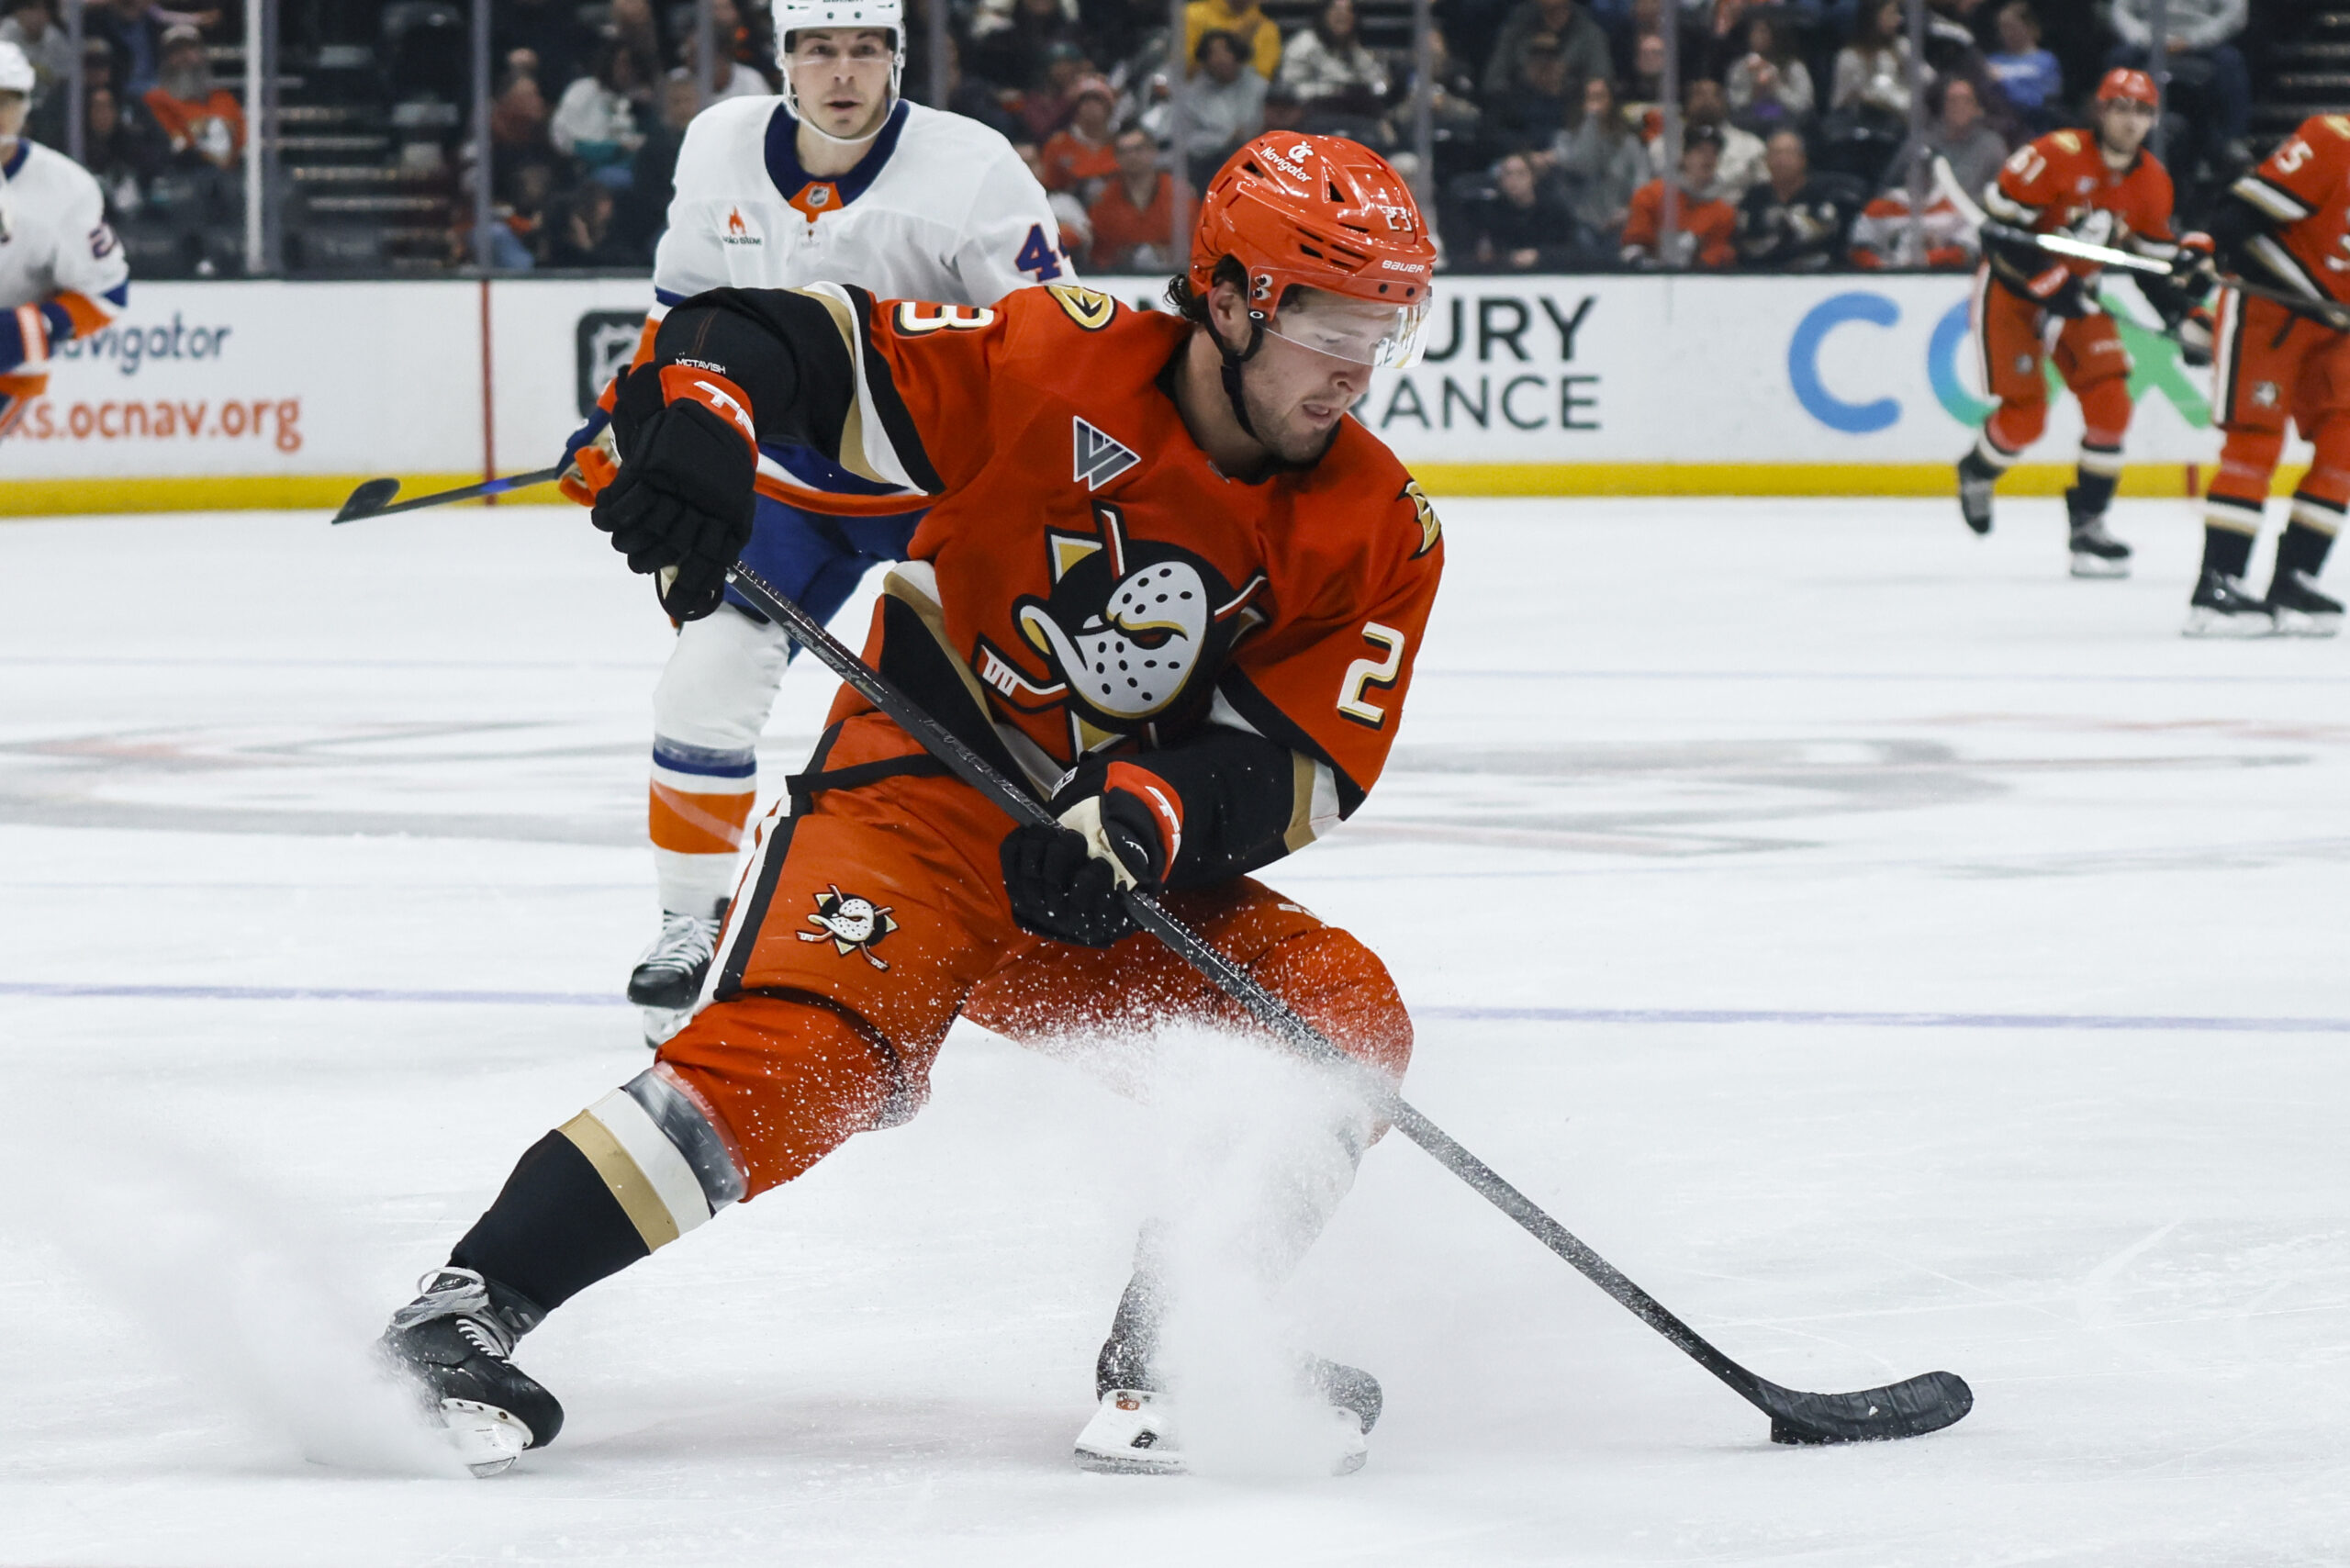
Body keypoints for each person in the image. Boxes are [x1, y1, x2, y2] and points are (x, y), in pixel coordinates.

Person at [379, 130, 1440, 1483]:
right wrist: (703, 421)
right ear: (1231, 296)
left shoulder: (1382, 529)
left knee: (1332, 1019)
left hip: (1102, 868)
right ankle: (463, 1312)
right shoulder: (1059, 357)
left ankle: (1180, 1346)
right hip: (916, 800)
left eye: (1385, 326)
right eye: (1331, 321)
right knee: (811, 1057)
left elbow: (1305, 762)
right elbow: (765, 335)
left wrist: (1139, 817)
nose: (1359, 364)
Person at [556, 0, 1071, 1047]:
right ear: (783, 57)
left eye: (866, 49)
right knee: (702, 683)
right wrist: (629, 414)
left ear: (897, 56)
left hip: (940, 490)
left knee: (1010, 715)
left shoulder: (974, 169)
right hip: (786, 493)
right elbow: (685, 311)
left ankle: (1035, 923)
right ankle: (688, 920)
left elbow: (1052, 352)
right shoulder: (717, 147)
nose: (844, 72)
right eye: (821, 49)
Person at [1954, 69, 2207, 577]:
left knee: (2111, 401)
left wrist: (2183, 316)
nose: (2130, 121)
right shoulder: (2054, 154)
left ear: (2153, 119)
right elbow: (1999, 236)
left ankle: (2088, 527)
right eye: (2120, 107)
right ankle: (1977, 471)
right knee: (2025, 417)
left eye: (2141, 111)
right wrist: (2050, 285)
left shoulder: (2153, 182)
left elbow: (2150, 270)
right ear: (2100, 109)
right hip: (2013, 291)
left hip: (2077, 297)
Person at [2178, 114, 2350, 635]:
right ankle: (2217, 585)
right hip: (2269, 314)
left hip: (2335, 328)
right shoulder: (2331, 139)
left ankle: (2293, 579)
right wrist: (2319, 300)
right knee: (2254, 444)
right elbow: (2237, 220)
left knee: (2344, 444)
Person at [0, 41, 130, 437]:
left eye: (8, 99)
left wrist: (30, 328)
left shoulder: (65, 190)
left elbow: (107, 293)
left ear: (26, 106)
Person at [1621, 123, 1736, 268]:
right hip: (1649, 277)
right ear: (1685, 157)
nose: (1708, 158)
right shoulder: (1650, 195)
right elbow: (1634, 242)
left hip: (1695, 282)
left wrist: (1698, 266)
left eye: (1714, 153)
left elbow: (1717, 250)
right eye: (1700, 150)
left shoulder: (1723, 211)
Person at [1735, 129, 1850, 271]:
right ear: (1766, 160)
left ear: (1803, 159)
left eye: (1788, 153)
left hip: (1814, 277)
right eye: (1775, 153)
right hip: (1761, 276)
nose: (1781, 160)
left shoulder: (1822, 197)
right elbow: (1746, 240)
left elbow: (1823, 238)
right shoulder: (1754, 198)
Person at [1551, 73, 1642, 239]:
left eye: (1600, 97)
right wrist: (1591, 122)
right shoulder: (1564, 139)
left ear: (1611, 101)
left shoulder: (1629, 143)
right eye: (1590, 98)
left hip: (1619, 222)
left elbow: (1641, 182)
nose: (1595, 104)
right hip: (1578, 224)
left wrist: (1629, 211)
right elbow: (1584, 165)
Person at [1171, 30, 1265, 187]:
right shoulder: (1191, 95)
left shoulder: (1260, 87)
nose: (1220, 59)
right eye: (1213, 53)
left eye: (1226, 51)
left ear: (1238, 55)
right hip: (1211, 163)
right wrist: (1225, 139)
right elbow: (1186, 141)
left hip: (1257, 156)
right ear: (1205, 60)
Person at [551, 39, 650, 186]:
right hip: (585, 168)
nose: (626, 72)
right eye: (622, 64)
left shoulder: (634, 102)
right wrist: (614, 149)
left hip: (629, 168)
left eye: (631, 66)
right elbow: (565, 138)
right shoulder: (582, 91)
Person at [141, 22, 241, 168]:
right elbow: (175, 145)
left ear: (202, 54)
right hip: (181, 177)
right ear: (165, 60)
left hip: (228, 178)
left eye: (191, 48)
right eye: (176, 50)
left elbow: (241, 143)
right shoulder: (154, 100)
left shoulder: (224, 99)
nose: (184, 56)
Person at [1275, 0, 1389, 122]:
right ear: (1324, 14)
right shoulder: (1304, 45)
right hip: (1311, 116)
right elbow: (1289, 89)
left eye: (1348, 11)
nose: (1343, 16)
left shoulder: (1353, 49)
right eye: (1337, 10)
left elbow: (1375, 81)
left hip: (1352, 115)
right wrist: (1334, 90)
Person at [1466, 150, 1583, 270]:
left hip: (1549, 274)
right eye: (1508, 174)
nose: (1514, 180)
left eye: (1520, 174)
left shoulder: (1554, 210)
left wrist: (1539, 256)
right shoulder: (1491, 212)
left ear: (1533, 177)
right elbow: (1486, 252)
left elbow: (1572, 250)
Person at [1652, 78, 1762, 203]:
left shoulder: (1752, 146)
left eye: (1715, 95)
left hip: (1732, 215)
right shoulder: (1661, 145)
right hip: (1676, 215)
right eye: (1700, 94)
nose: (1707, 100)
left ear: (1725, 102)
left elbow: (1763, 191)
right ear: (1687, 102)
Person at [1481, 0, 1608, 105]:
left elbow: (1600, 85)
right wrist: (1523, 87)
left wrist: (1563, 86)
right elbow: (1493, 81)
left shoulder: (1590, 34)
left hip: (1568, 118)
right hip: (1517, 117)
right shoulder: (1516, 27)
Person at [1087, 123, 1179, 269]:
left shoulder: (1180, 195)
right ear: (1116, 157)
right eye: (1124, 151)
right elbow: (1099, 257)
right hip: (1121, 280)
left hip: (1172, 276)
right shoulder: (1103, 201)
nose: (1131, 156)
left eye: (1138, 149)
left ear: (1153, 151)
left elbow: (1194, 248)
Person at [1831, 0, 1930, 128]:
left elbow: (1928, 80)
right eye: (1891, 14)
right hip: (1860, 125)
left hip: (1901, 123)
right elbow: (1838, 104)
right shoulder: (1848, 58)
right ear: (1873, 18)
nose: (1898, 20)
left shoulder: (1902, 47)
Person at [1722, 12, 1812, 132]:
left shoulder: (1794, 67)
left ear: (1775, 35)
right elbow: (1734, 103)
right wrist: (1754, 92)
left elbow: (1803, 106)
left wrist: (1776, 86)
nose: (1757, 37)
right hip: (1750, 118)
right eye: (1753, 32)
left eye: (1763, 32)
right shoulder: (1741, 66)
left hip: (1785, 117)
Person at [1036, 73, 1118, 196]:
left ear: (1109, 108)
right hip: (1071, 206)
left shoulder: (1123, 144)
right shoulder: (1058, 144)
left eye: (1098, 100)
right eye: (1085, 101)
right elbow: (1048, 186)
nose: (1091, 106)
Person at [1928, 76, 2006, 201]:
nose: (1959, 107)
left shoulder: (1992, 146)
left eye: (1966, 101)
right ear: (1943, 107)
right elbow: (1893, 183)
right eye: (1953, 101)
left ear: (1977, 109)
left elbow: (2001, 194)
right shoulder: (1925, 143)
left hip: (1974, 215)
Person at [1984, 2, 2058, 131]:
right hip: (2002, 129)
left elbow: (2043, 101)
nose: (2006, 33)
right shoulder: (1992, 61)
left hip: (2035, 127)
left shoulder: (2045, 61)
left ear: (2028, 26)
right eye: (2002, 28)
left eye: (2011, 27)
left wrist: (2004, 83)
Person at [1182, 0, 1281, 81]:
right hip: (1194, 94)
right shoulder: (1192, 15)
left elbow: (1262, 76)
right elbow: (1181, 68)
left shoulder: (1266, 27)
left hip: (1243, 98)